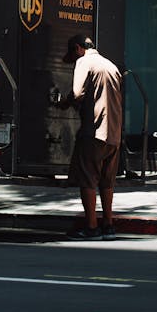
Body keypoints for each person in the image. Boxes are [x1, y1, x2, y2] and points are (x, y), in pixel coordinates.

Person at [60, 33, 123, 240]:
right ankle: (108, 224)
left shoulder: (84, 62)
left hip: (94, 132)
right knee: (107, 182)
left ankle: (92, 227)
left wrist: (65, 102)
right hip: (114, 134)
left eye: (73, 54)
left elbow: (78, 93)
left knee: (87, 180)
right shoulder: (111, 65)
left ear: (79, 48)